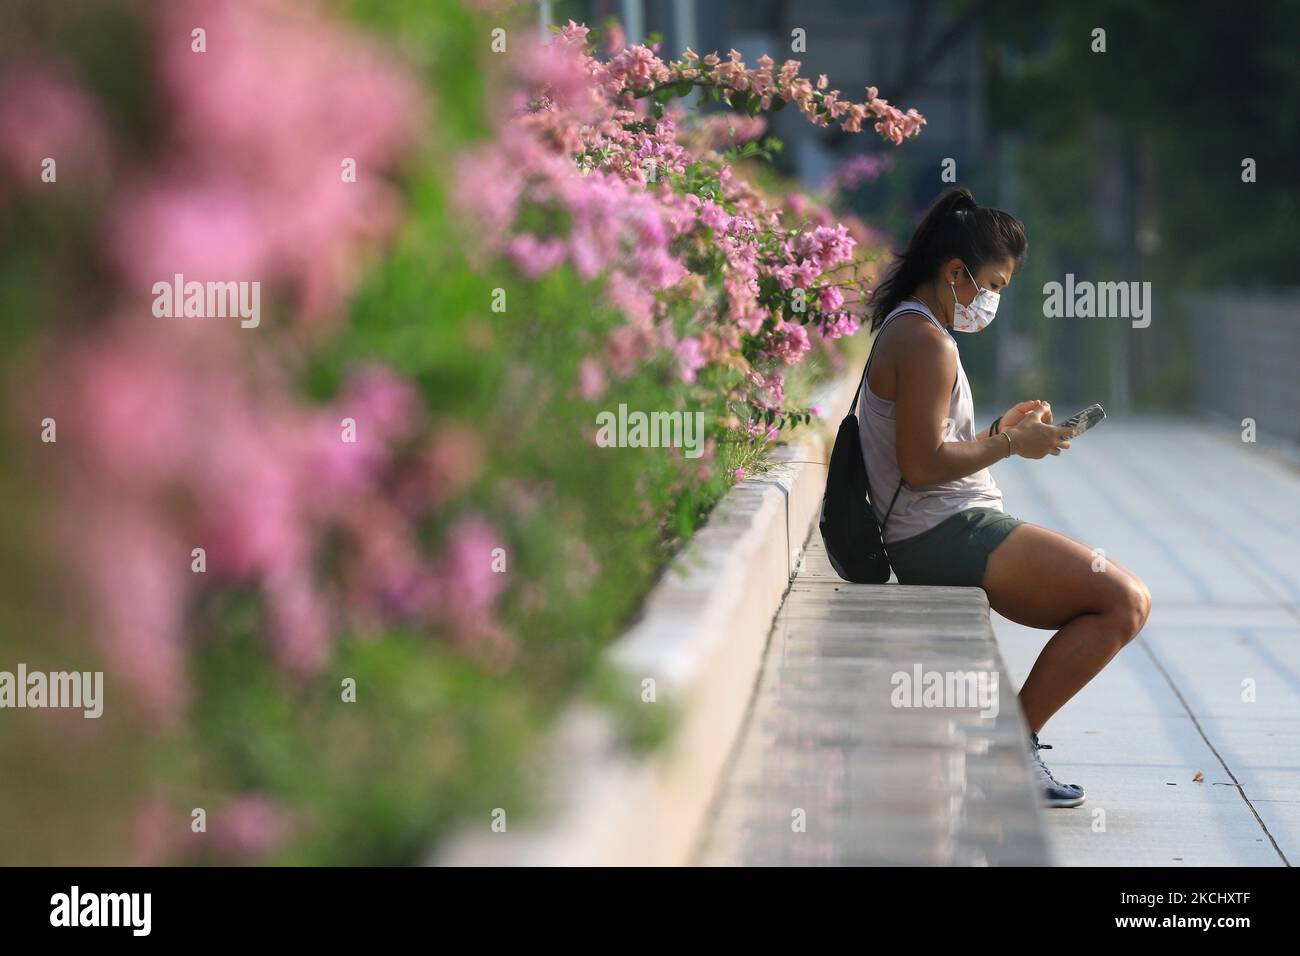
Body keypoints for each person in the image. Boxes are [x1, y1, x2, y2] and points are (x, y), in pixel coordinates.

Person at [859, 185, 1152, 808]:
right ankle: (1009, 750)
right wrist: (1014, 445)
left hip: (947, 521)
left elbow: (931, 447)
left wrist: (996, 434)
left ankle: (1009, 746)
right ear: (955, 272)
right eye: (989, 284)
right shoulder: (925, 342)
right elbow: (921, 465)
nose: (990, 300)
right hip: (939, 531)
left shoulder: (920, 330)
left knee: (1123, 601)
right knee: (1123, 602)